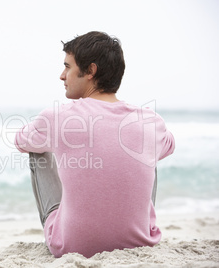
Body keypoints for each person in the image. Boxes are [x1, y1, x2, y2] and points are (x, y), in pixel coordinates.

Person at [14, 31, 175, 258]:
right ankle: (135, 226)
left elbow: (20, 141)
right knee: (147, 149)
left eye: (68, 67)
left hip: (72, 247)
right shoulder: (150, 120)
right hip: (140, 244)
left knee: (35, 150)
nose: (62, 76)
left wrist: (64, 143)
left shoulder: (58, 118)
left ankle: (67, 224)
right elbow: (169, 146)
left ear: (90, 71)